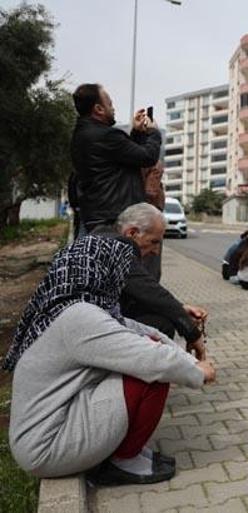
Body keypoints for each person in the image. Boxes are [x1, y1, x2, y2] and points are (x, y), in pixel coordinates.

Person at [2, 235, 215, 485]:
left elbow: (145, 332)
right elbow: (149, 358)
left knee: (148, 350)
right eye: (120, 271)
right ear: (103, 269)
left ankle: (125, 453)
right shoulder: (78, 318)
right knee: (150, 375)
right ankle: (124, 462)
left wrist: (188, 360)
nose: (122, 281)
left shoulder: (68, 306)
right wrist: (198, 373)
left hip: (49, 430)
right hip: (47, 448)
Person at [90, 204, 207, 352]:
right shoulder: (114, 249)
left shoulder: (100, 237)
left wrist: (180, 309)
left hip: (84, 323)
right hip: (86, 335)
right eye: (154, 242)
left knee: (158, 317)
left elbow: (143, 294)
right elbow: (149, 291)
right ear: (132, 233)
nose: (156, 252)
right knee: (160, 325)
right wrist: (192, 334)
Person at [70, 83, 161, 233]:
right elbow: (147, 157)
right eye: (110, 104)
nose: (113, 109)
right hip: (113, 219)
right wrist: (153, 132)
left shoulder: (83, 134)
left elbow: (127, 157)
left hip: (98, 216)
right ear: (99, 109)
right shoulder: (106, 135)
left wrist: (137, 133)